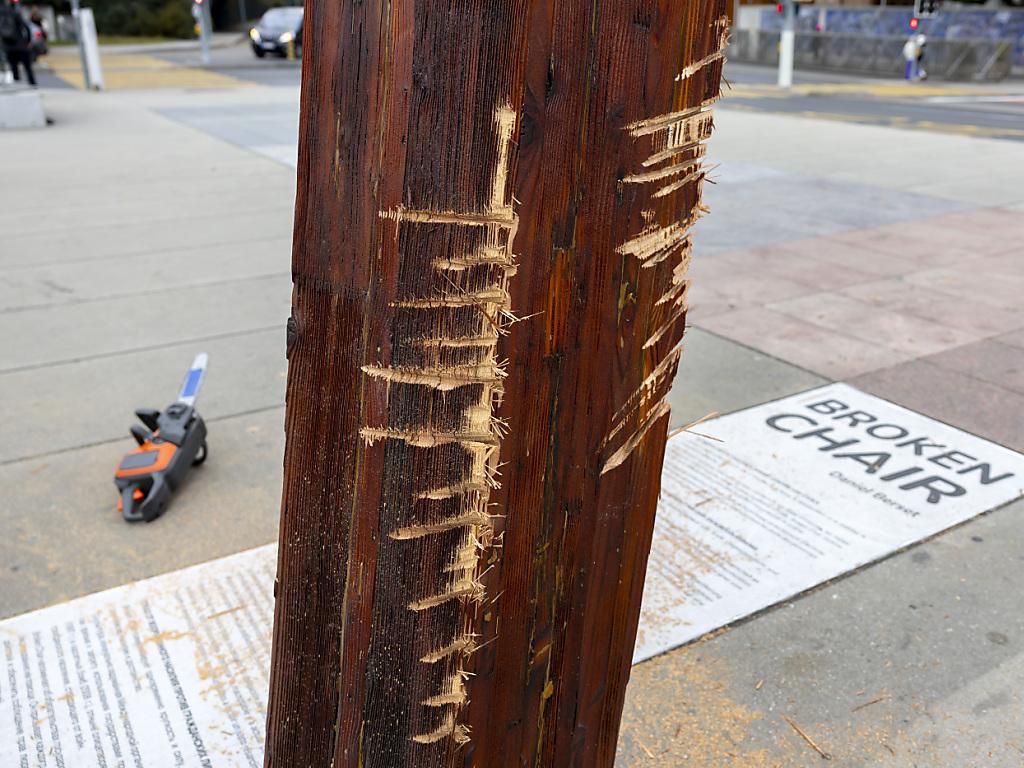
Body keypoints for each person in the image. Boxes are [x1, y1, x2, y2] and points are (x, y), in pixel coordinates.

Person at [0, 0, 35, 86]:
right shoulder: (15, 13)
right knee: (28, 68)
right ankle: (33, 84)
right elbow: (26, 27)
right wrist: (28, 41)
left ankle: (18, 84)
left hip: (8, 46)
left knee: (14, 67)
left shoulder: (1, 15)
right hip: (21, 45)